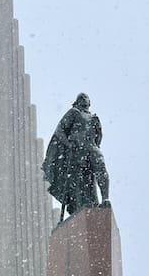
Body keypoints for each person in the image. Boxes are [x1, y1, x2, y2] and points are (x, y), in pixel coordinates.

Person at [41, 92, 110, 220]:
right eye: (81, 98)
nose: (84, 99)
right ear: (77, 101)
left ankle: (105, 198)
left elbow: (98, 137)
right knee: (80, 181)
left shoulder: (94, 117)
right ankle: (81, 206)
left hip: (92, 148)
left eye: (86, 98)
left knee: (101, 170)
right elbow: (60, 131)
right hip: (78, 150)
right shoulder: (73, 112)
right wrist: (68, 144)